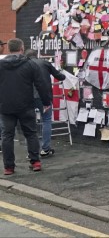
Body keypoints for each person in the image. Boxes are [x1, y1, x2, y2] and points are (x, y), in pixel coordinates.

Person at [0, 39, 51, 175]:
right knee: (31, 133)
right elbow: (41, 84)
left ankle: (9, 167)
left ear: (9, 49)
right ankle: (35, 162)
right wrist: (46, 102)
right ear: (22, 48)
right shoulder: (30, 65)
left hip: (6, 107)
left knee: (7, 136)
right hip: (26, 105)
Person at [25, 50, 66, 157]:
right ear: (37, 56)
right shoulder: (44, 63)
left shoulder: (23, 65)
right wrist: (63, 74)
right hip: (43, 97)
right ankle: (45, 148)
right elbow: (59, 76)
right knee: (46, 120)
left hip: (27, 97)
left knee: (29, 123)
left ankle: (31, 151)